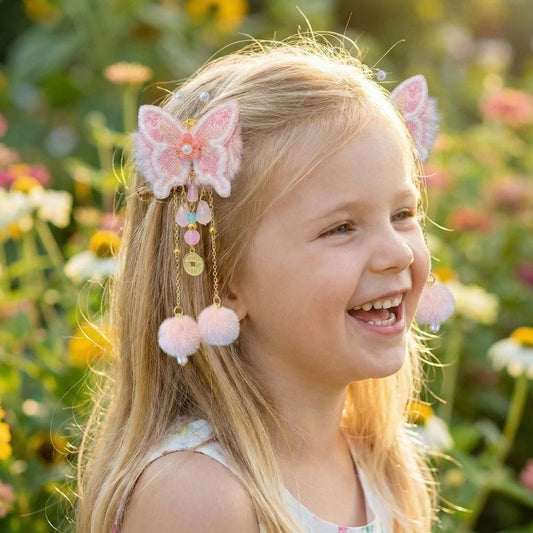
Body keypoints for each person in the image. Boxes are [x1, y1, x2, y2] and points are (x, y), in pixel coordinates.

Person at [76, 34, 445, 533]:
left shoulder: (381, 462)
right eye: (341, 227)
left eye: (403, 213)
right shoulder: (198, 497)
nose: (399, 252)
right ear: (225, 280)